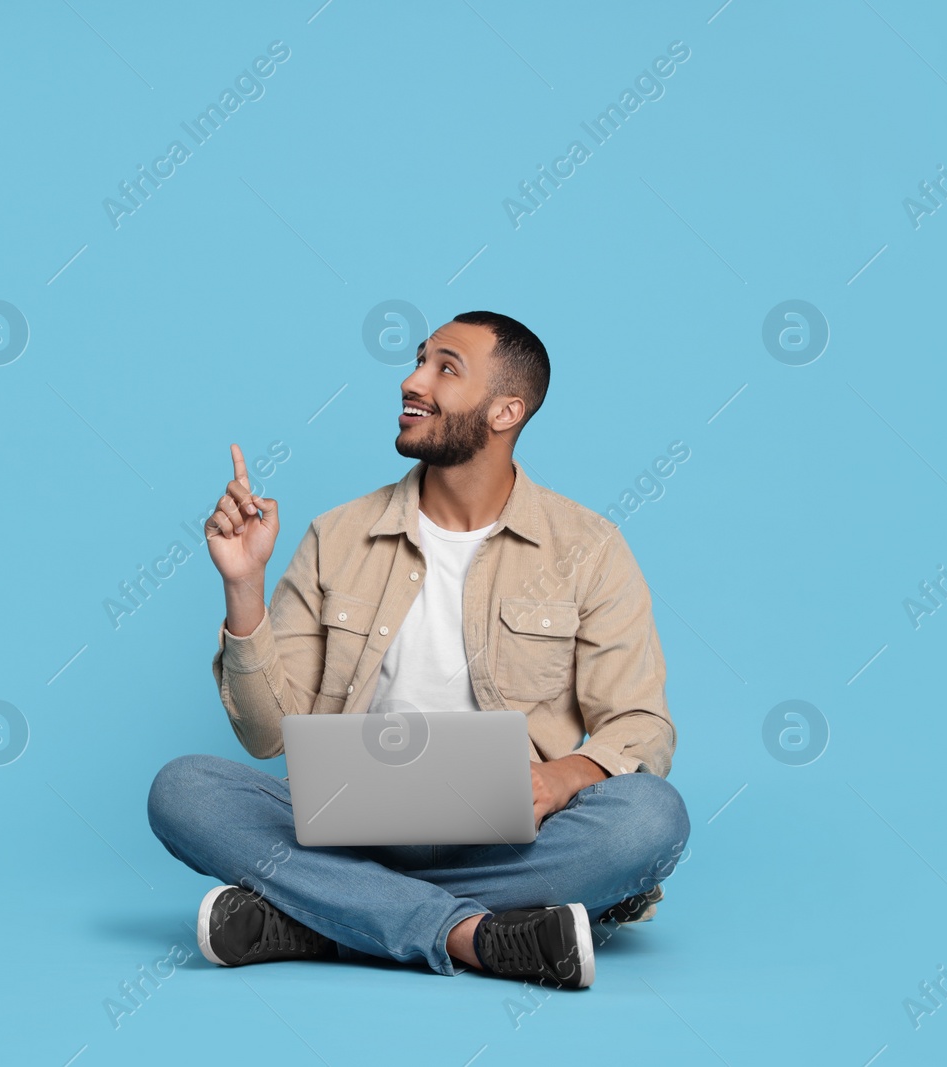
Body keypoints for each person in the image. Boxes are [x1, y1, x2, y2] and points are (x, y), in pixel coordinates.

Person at [146, 311, 689, 989]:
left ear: (506, 410)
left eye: (445, 368)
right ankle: (479, 934)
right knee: (183, 790)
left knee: (652, 817)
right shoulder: (337, 535)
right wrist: (244, 586)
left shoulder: (589, 548)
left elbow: (641, 726)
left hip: (513, 835)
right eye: (418, 361)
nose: (412, 380)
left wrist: (558, 779)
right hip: (352, 827)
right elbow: (264, 735)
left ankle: (329, 917)